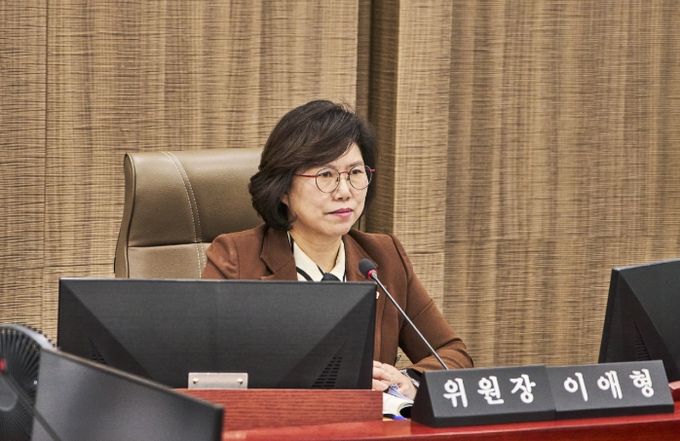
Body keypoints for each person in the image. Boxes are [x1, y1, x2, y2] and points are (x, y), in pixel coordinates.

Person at [202, 100, 473, 399]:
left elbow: (452, 354)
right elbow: (205, 370)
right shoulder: (236, 258)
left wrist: (408, 381)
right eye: (325, 175)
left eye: (355, 172)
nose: (344, 191)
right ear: (283, 189)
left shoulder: (384, 257)